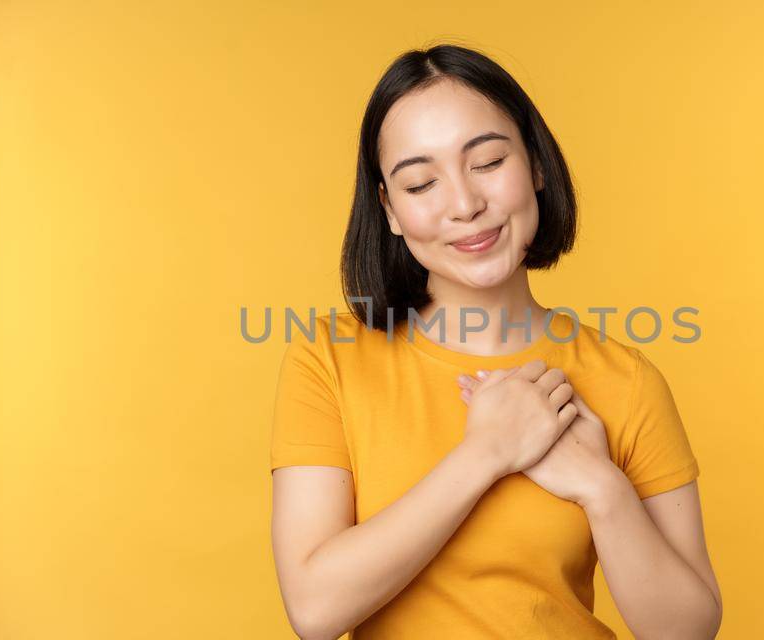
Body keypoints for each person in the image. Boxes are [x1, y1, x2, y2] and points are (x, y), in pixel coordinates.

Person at [269, 44, 721, 639]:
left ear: (535, 165)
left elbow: (686, 631)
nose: (464, 205)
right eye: (422, 182)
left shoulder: (625, 379)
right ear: (391, 211)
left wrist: (600, 487)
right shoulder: (327, 360)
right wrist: (488, 452)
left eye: (486, 163)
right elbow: (315, 610)